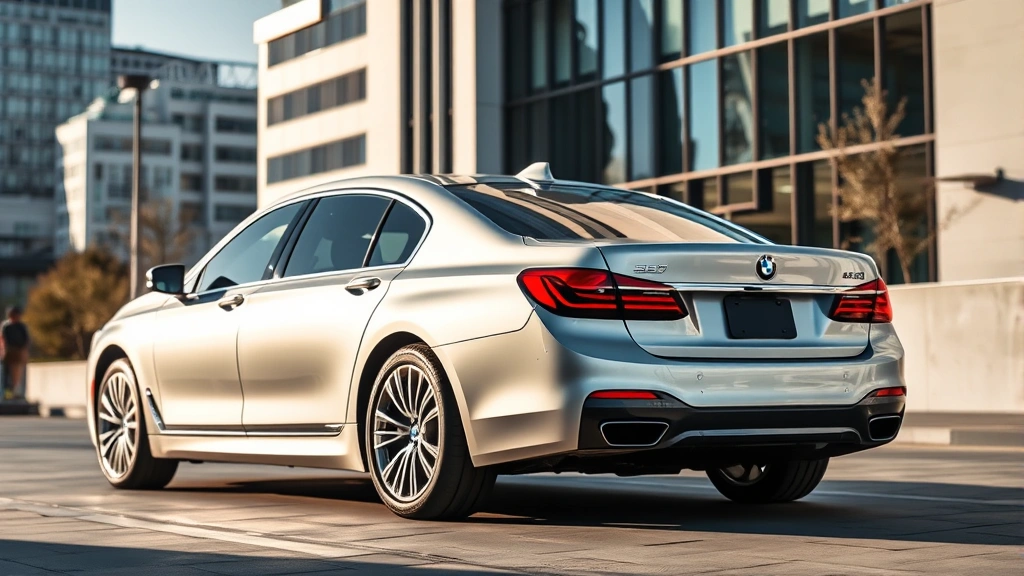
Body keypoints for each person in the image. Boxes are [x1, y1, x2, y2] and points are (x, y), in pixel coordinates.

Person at [1, 305, 30, 400]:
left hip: (19, 351)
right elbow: (3, 339)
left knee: (17, 372)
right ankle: (7, 392)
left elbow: (26, 340)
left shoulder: (21, 326)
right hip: (8, 351)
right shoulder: (6, 326)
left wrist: (24, 352)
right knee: (6, 373)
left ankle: (16, 391)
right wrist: (3, 350)